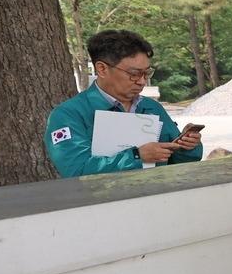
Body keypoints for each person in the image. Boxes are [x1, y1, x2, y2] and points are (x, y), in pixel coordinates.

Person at [45, 29, 203, 177]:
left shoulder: (152, 107)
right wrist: (137, 156)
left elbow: (179, 165)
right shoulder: (68, 115)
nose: (142, 81)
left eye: (147, 73)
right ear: (102, 69)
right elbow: (76, 171)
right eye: (134, 73)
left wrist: (187, 147)